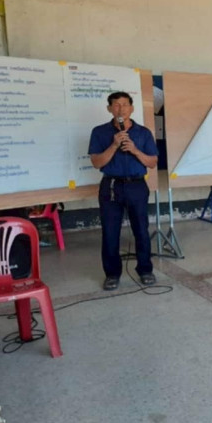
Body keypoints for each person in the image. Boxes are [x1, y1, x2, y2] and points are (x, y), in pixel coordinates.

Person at [88, 91, 158, 290]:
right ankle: (112, 274)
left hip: (137, 186)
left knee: (141, 230)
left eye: (125, 104)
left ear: (132, 108)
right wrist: (114, 144)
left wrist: (134, 150)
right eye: (116, 105)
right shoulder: (99, 132)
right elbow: (97, 162)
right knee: (110, 232)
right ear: (109, 109)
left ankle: (145, 270)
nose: (121, 109)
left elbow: (152, 162)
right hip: (111, 186)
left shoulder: (143, 133)